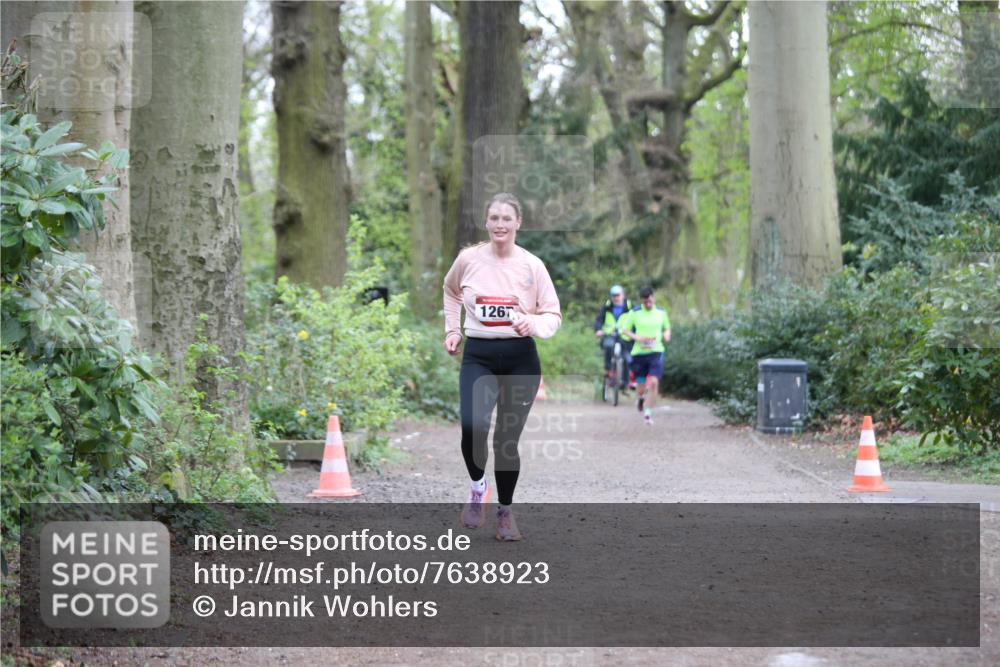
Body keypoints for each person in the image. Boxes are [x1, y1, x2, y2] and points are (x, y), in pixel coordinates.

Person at [442, 193, 562, 541]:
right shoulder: (468, 260)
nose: (500, 224)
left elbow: (553, 315)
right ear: (486, 222)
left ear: (518, 223)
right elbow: (450, 291)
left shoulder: (532, 265)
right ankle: (478, 488)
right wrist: (453, 330)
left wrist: (532, 323)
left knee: (506, 441)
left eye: (506, 219)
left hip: (520, 359)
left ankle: (506, 514)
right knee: (472, 427)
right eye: (494, 218)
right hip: (478, 355)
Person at [617, 287, 671, 426]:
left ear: (654, 298)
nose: (648, 304)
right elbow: (625, 330)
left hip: (656, 352)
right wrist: (638, 338)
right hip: (639, 353)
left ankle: (648, 413)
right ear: (642, 301)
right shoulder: (635, 313)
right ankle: (641, 398)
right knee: (641, 385)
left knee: (653, 382)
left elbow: (667, 327)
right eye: (645, 302)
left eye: (650, 301)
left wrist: (666, 335)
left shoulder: (661, 312)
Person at [594, 285, 633, 389]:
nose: (615, 298)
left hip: (625, 336)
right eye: (613, 295)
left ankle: (625, 382)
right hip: (609, 334)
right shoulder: (607, 307)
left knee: (627, 358)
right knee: (608, 346)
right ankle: (609, 371)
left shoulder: (630, 307)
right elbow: (599, 319)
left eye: (617, 295)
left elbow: (637, 320)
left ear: (623, 295)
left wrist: (634, 333)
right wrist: (598, 329)